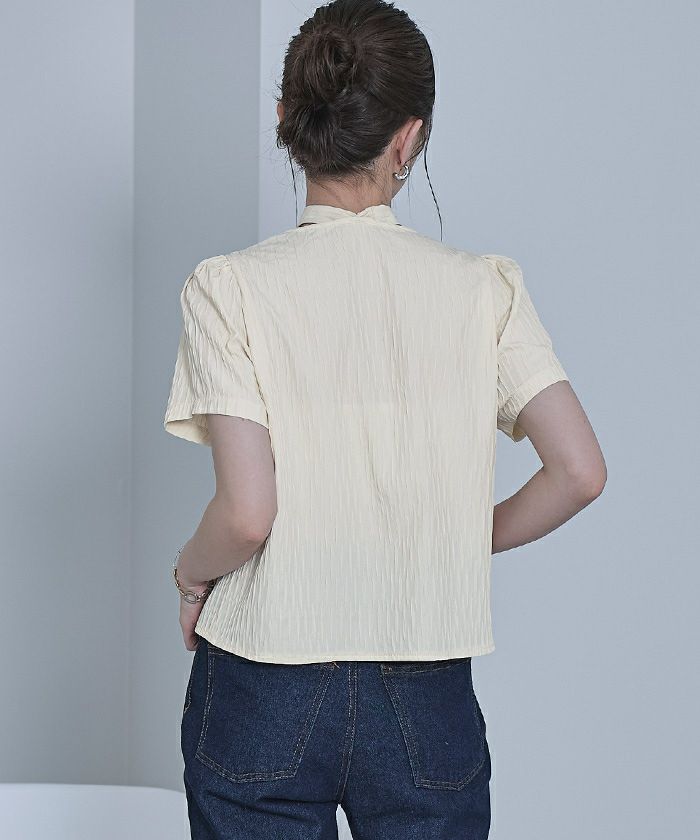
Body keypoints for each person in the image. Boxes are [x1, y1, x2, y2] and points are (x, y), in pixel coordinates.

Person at [163, 1, 607, 837]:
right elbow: (580, 472)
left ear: (286, 119)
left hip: (264, 678)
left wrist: (191, 576)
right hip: (425, 685)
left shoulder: (229, 287)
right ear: (409, 138)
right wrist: (454, 534)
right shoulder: (484, 288)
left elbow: (248, 515)